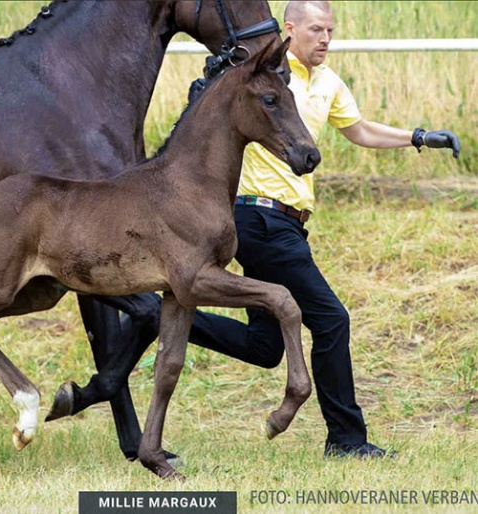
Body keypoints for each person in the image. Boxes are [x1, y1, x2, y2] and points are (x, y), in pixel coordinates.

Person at [186, 0, 461, 458]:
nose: (327, 39)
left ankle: (154, 318)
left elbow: (359, 131)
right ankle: (346, 439)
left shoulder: (329, 83)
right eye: (317, 30)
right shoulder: (261, 79)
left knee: (264, 344)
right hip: (257, 218)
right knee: (331, 319)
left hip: (290, 225)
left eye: (331, 30)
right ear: (289, 30)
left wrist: (418, 136)